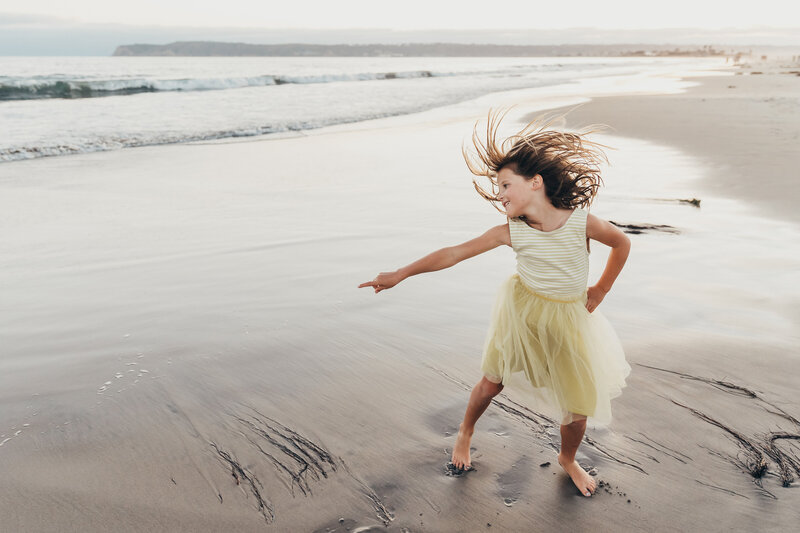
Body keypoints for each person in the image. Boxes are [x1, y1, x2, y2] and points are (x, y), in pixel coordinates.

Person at [359, 111, 631, 497]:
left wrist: (601, 289)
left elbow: (622, 243)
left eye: (505, 184)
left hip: (569, 319)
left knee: (578, 407)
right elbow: (454, 253)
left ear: (535, 182)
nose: (499, 193)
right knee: (491, 383)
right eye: (497, 186)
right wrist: (401, 273)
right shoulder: (509, 233)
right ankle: (465, 432)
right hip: (522, 315)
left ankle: (567, 458)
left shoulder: (582, 222)